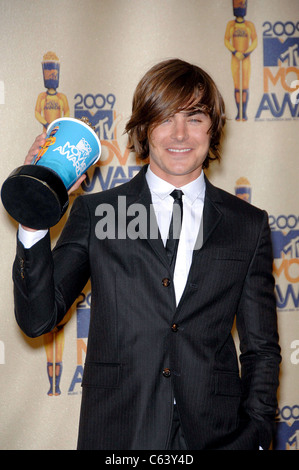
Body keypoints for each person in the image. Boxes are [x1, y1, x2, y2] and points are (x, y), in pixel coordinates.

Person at [13, 58, 281, 450]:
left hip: (218, 436)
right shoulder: (98, 212)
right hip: (120, 431)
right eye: (164, 118)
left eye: (194, 117)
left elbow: (261, 347)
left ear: (213, 127)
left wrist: (257, 432)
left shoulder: (248, 224)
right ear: (143, 128)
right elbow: (39, 319)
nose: (180, 134)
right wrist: (33, 213)